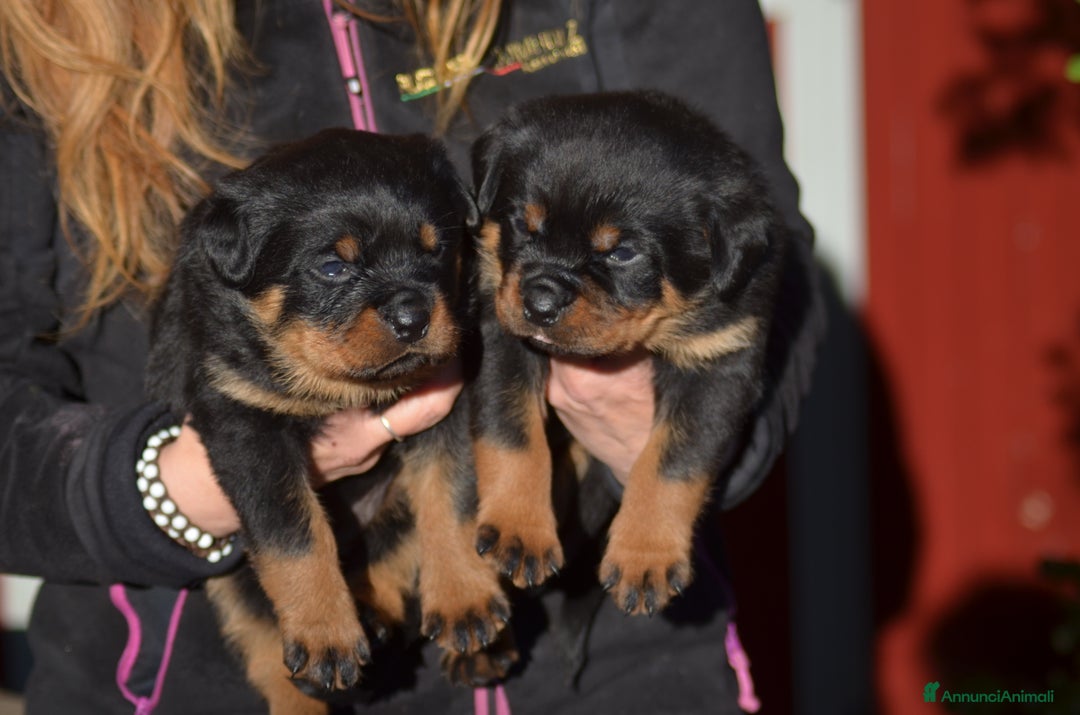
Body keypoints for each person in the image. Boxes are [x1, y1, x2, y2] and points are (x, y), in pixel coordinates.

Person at [0, 1, 824, 713]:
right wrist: (169, 491)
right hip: (185, 672)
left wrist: (649, 441)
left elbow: (759, 269)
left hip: (609, 668)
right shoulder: (37, 32)